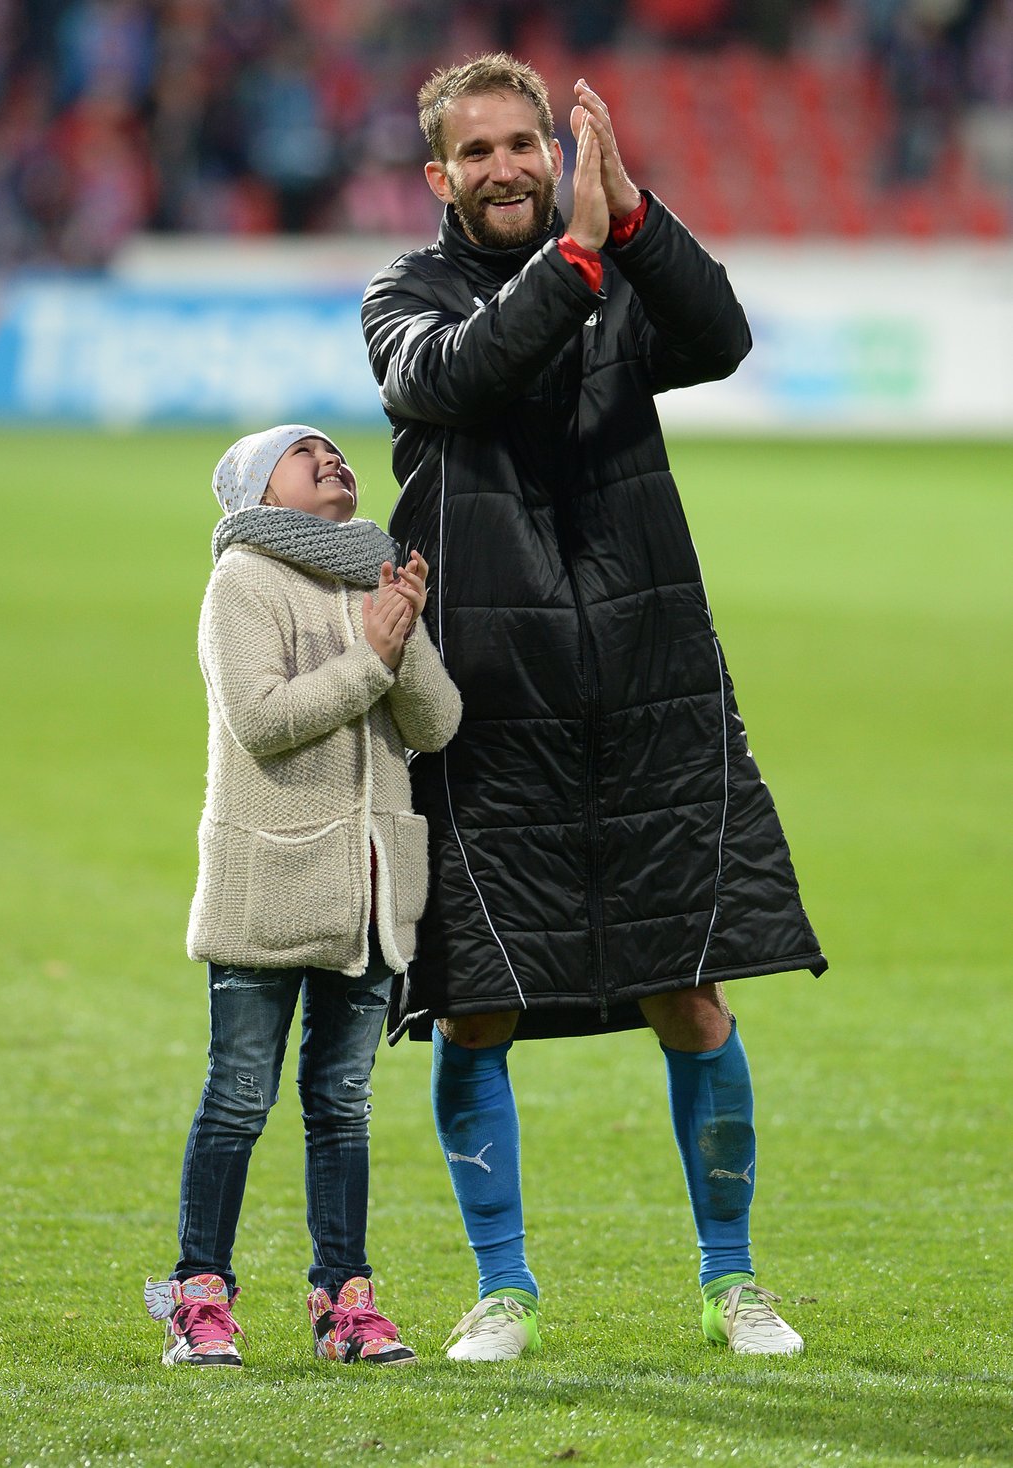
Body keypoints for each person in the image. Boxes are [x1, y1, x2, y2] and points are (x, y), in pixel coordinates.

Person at [361, 54, 827, 1361]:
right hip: (487, 703)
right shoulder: (401, 296)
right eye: (481, 150)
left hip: (646, 684)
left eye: (528, 143)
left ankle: (732, 1281)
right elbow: (457, 375)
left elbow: (722, 337)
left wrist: (628, 218)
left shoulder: (611, 263)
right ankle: (502, 1288)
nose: (508, 165)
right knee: (477, 1001)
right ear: (438, 173)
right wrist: (573, 261)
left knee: (689, 992)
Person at [143, 424, 462, 1368]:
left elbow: (436, 725)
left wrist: (400, 633)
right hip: (267, 885)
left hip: (368, 894)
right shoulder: (242, 579)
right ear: (259, 491)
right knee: (239, 1097)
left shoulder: (376, 578)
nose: (332, 459)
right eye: (303, 453)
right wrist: (369, 655)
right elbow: (263, 722)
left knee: (342, 1104)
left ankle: (345, 1305)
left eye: (334, 450)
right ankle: (198, 1299)